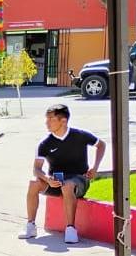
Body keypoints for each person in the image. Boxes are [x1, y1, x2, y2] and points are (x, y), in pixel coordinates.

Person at [18, 104, 106, 244]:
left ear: (63, 120)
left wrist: (95, 167)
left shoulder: (80, 135)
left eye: (51, 119)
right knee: (33, 183)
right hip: (55, 181)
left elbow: (101, 145)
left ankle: (70, 229)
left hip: (78, 180)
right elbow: (36, 169)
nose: (47, 123)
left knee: (67, 185)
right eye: (46, 119)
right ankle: (31, 225)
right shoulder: (44, 143)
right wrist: (47, 179)